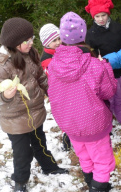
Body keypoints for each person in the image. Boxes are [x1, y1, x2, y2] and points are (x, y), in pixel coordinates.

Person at [0, 17, 68, 192]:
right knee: (22, 153)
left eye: (32, 38)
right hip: (15, 120)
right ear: (15, 44)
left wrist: (52, 92)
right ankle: (20, 181)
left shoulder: (31, 54)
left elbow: (40, 77)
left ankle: (49, 167)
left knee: (40, 143)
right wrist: (5, 96)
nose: (32, 42)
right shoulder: (1, 66)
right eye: (28, 40)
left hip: (35, 113)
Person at [47, 11, 117, 192]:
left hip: (70, 124)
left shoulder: (53, 65)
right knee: (102, 160)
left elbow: (53, 92)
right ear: (83, 35)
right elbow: (109, 91)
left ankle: (90, 182)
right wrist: (106, 67)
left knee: (84, 156)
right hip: (93, 124)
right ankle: (98, 187)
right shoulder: (94, 65)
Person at [85, 0, 121, 127]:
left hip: (120, 70)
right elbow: (89, 54)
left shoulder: (117, 28)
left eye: (103, 15)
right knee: (107, 100)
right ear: (93, 17)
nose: (101, 19)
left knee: (120, 96)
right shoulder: (91, 34)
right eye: (97, 16)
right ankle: (107, 124)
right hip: (104, 73)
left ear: (108, 15)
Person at [38, 23, 71, 151]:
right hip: (58, 93)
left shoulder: (62, 50)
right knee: (64, 115)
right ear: (46, 43)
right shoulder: (46, 60)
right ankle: (66, 134)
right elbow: (58, 74)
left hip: (69, 90)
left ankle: (72, 132)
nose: (58, 42)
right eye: (54, 40)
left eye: (59, 39)